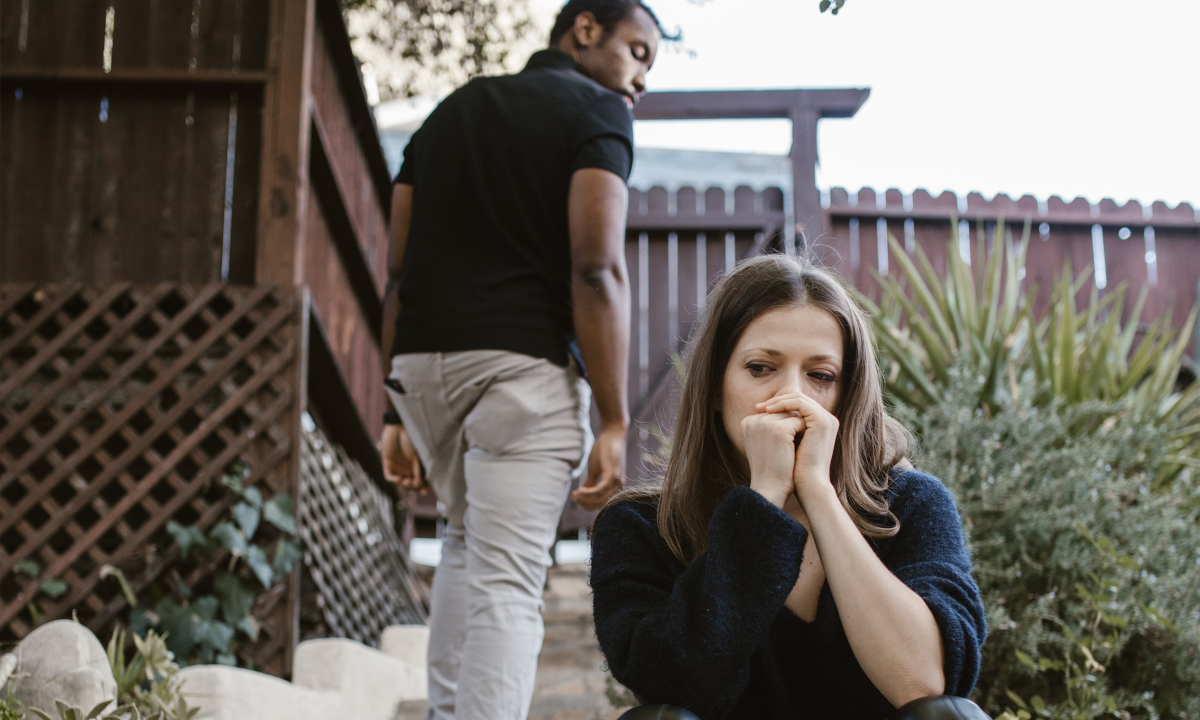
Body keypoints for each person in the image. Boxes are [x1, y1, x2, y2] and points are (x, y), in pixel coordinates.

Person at [377, 2, 668, 718]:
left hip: (424, 371)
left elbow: (397, 269)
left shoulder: (449, 112)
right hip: (522, 375)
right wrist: (613, 417)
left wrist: (392, 408)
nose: (639, 80)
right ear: (587, 28)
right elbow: (597, 268)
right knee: (507, 580)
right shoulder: (598, 114)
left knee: (465, 545)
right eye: (638, 52)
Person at [590, 255, 988, 720]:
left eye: (820, 376)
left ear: (847, 395)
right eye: (760, 368)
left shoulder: (913, 503)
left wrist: (817, 490)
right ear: (716, 387)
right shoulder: (641, 527)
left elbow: (925, 685)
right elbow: (681, 685)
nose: (790, 398)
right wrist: (762, 501)